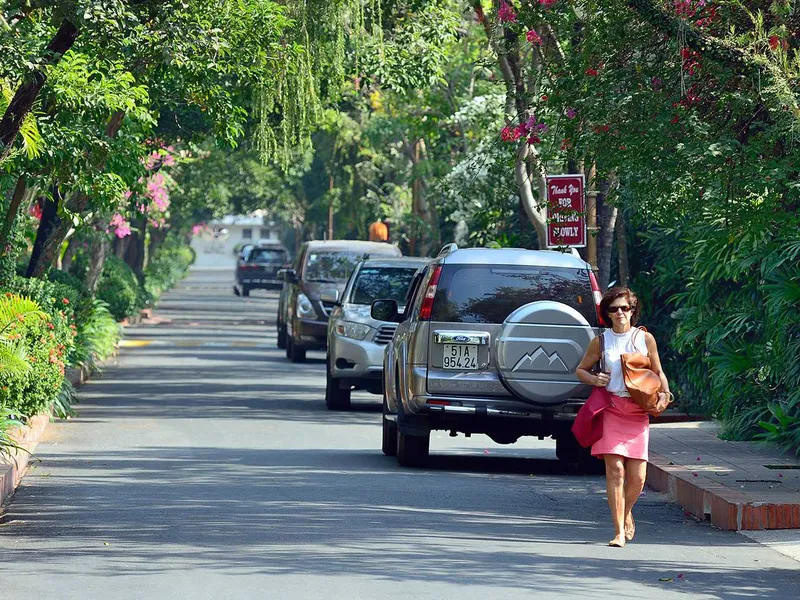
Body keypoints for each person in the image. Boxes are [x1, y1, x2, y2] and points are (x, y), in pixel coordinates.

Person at [575, 286, 672, 548]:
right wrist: (595, 378)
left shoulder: (644, 339)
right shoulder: (601, 342)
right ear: (607, 313)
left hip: (638, 410)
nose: (620, 313)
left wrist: (665, 392)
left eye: (625, 308)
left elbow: (658, 371)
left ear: (633, 311)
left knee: (638, 477)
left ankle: (626, 511)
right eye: (614, 309)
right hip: (611, 407)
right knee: (615, 469)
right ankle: (618, 531)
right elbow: (581, 370)